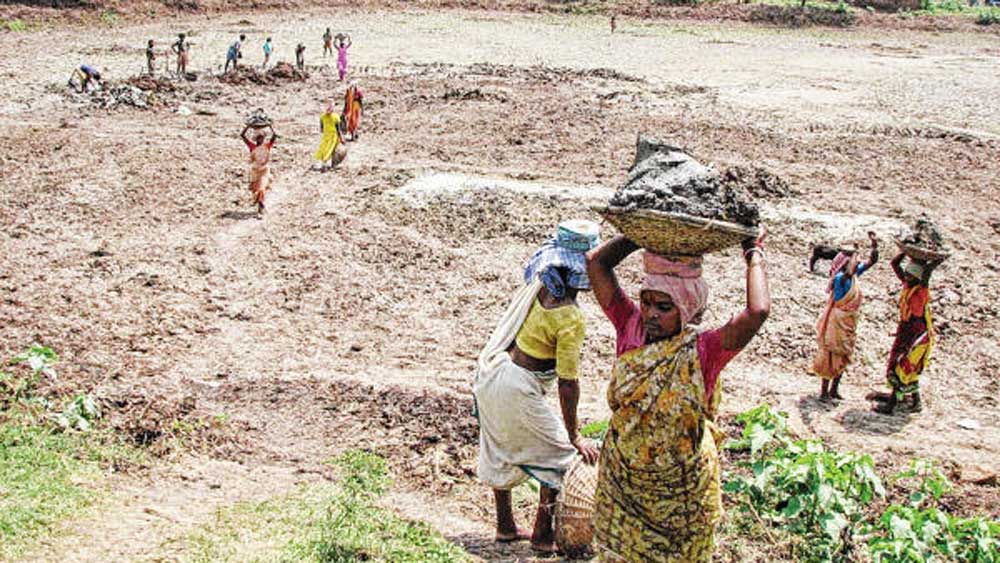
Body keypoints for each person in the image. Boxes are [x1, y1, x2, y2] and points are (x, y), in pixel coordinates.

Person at [587, 229, 770, 562]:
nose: (651, 313)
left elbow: (756, 313)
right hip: (624, 485)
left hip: (682, 496)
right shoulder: (630, 326)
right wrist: (640, 233)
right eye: (646, 301)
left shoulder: (703, 350)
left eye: (664, 306)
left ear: (686, 308)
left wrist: (753, 252)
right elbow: (597, 262)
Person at [473, 221, 602, 554]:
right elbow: (568, 382)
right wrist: (574, 435)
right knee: (561, 459)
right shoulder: (571, 317)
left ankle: (505, 527)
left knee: (500, 447)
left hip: (496, 375)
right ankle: (543, 534)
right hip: (520, 387)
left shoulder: (540, 288)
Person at [871, 254, 941, 414]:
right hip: (906, 330)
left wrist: (934, 263)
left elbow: (927, 274)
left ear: (917, 278)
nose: (907, 277)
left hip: (917, 334)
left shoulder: (921, 291)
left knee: (902, 366)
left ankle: (891, 405)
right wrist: (905, 251)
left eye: (910, 275)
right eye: (907, 274)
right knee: (907, 367)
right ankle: (916, 402)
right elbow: (894, 263)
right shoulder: (907, 286)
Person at [812, 232, 878, 402]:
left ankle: (834, 389)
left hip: (848, 320)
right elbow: (849, 272)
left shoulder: (853, 276)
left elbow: (872, 261)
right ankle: (824, 391)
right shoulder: (841, 279)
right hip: (837, 320)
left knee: (843, 354)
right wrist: (855, 253)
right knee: (831, 354)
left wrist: (874, 244)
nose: (856, 263)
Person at [240, 123, 277, 217]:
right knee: (256, 191)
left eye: (262, 137)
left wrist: (270, 126)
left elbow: (274, 136)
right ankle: (261, 205)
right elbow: (242, 136)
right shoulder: (252, 147)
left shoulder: (267, 146)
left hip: (264, 170)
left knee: (261, 189)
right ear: (256, 139)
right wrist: (248, 126)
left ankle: (260, 210)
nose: (261, 139)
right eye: (259, 138)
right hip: (255, 171)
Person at [314, 100, 345, 171]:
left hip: (331, 136)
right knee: (326, 149)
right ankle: (324, 163)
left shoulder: (332, 117)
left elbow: (337, 128)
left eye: (330, 107)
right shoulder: (326, 117)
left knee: (328, 149)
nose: (329, 108)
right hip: (329, 136)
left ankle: (329, 164)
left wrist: (341, 137)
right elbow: (322, 127)